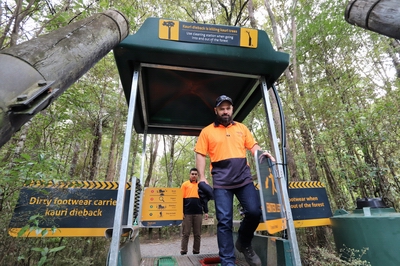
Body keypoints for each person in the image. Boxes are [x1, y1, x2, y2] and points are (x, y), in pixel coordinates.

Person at [195, 95, 275, 266]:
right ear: (216, 110)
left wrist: (262, 153)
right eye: (221, 108)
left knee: (254, 212)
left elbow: (253, 146)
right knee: (224, 221)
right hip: (221, 182)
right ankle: (228, 262)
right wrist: (202, 178)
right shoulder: (207, 131)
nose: (225, 111)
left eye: (228, 108)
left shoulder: (241, 128)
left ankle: (244, 242)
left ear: (232, 110)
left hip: (243, 179)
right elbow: (200, 154)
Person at [180, 167, 209, 255]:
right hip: (187, 213)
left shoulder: (201, 185)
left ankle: (196, 251)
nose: (194, 175)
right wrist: (181, 212)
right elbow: (181, 199)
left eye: (195, 174)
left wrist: (206, 212)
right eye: (192, 174)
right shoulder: (185, 184)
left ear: (197, 176)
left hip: (198, 213)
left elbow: (204, 200)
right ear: (190, 174)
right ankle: (183, 251)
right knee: (186, 233)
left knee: (197, 234)